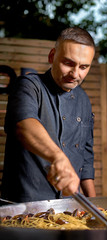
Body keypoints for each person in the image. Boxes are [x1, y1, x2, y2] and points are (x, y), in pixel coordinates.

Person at [1, 27, 96, 202]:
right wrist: (58, 157)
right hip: (23, 205)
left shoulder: (83, 100)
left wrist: (95, 204)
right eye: (68, 63)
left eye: (83, 67)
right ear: (52, 56)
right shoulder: (28, 85)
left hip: (68, 207)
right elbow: (24, 126)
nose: (75, 74)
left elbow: (86, 159)